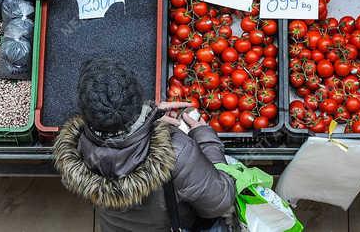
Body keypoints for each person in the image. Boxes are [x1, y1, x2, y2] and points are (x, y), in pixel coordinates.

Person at [53, 57, 235, 232]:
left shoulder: (75, 149)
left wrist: (151, 115)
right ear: (138, 95)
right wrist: (206, 139)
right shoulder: (177, 152)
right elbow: (220, 202)